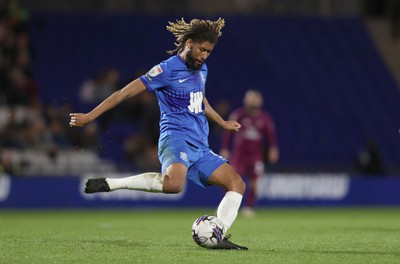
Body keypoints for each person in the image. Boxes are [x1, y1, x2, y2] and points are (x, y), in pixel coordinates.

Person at [69, 18, 248, 250]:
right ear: (189, 42)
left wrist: (221, 122)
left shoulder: (201, 68)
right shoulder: (166, 69)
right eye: (202, 50)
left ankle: (217, 234)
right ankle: (111, 184)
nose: (204, 56)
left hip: (200, 145)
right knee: (174, 185)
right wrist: (91, 116)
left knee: (237, 184)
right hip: (176, 138)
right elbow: (124, 93)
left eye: (209, 52)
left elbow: (199, 98)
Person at [220, 90, 279, 218]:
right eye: (251, 98)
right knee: (231, 180)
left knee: (255, 182)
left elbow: (271, 136)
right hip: (239, 155)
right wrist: (225, 148)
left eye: (256, 98)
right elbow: (227, 133)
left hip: (255, 155)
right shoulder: (238, 115)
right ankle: (226, 207)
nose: (254, 101)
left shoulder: (265, 118)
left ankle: (248, 207)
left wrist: (273, 149)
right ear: (246, 101)